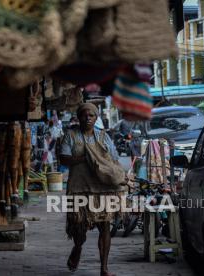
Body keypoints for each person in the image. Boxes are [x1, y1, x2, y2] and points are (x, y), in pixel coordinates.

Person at [60, 103, 122, 276]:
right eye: (84, 115)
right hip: (79, 188)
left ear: (96, 118)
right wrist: (85, 158)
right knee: (79, 229)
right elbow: (64, 158)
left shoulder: (103, 137)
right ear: (78, 117)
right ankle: (78, 247)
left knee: (105, 227)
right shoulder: (71, 135)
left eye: (91, 116)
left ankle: (104, 268)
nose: (88, 118)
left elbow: (114, 158)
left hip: (103, 189)